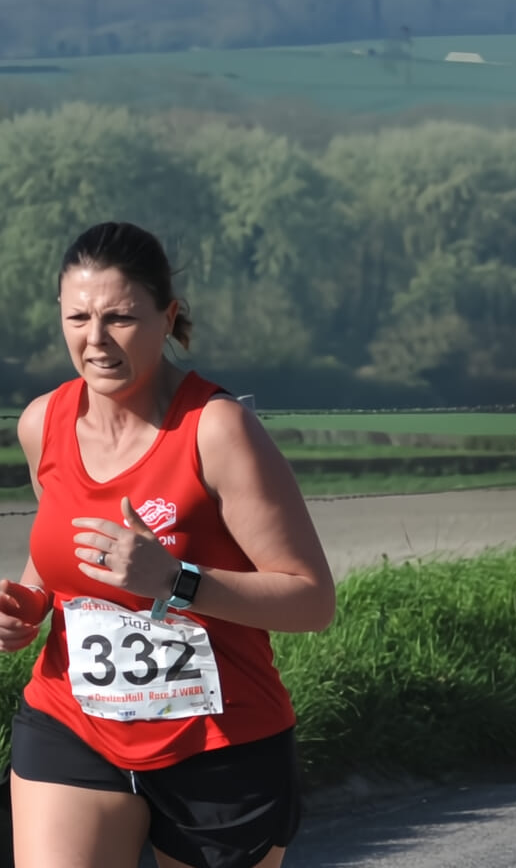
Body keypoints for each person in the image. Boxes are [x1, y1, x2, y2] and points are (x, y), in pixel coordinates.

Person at [3, 222, 336, 868]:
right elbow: (59, 551)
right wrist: (29, 602)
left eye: (120, 318)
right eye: (78, 318)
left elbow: (312, 601)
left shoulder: (216, 429)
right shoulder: (42, 423)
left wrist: (174, 579)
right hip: (72, 724)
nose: (96, 340)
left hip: (217, 742)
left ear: (168, 316)